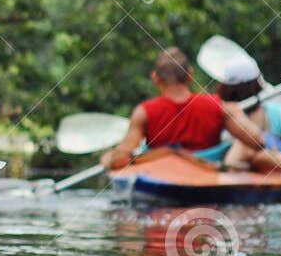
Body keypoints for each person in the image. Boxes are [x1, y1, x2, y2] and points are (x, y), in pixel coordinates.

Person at [99, 47, 269, 170]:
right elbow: (258, 142)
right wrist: (236, 112)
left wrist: (107, 159)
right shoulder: (219, 106)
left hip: (162, 179)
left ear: (155, 78)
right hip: (207, 178)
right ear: (190, 75)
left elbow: (120, 159)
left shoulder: (144, 112)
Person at [212, 53, 281, 175]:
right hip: (232, 168)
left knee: (245, 146)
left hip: (266, 168)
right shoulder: (221, 111)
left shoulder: (275, 111)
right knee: (243, 145)